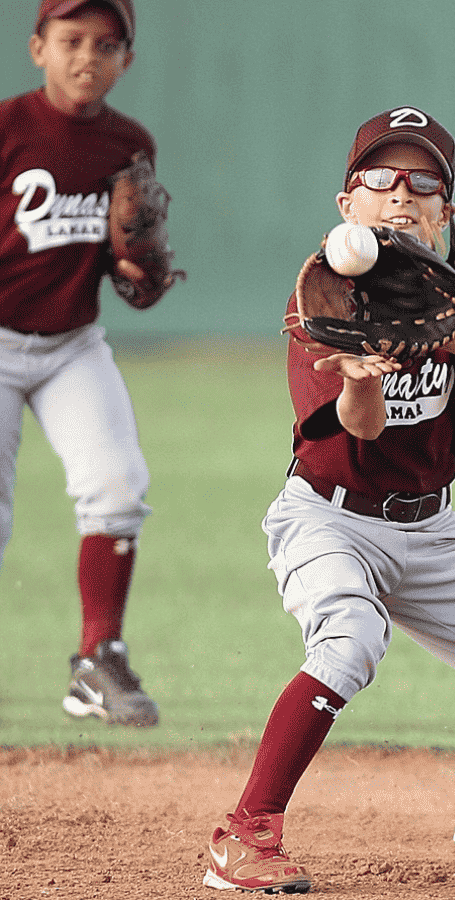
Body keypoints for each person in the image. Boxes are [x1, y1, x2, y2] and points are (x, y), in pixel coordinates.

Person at [202, 106, 455, 894]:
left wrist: (451, 334)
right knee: (349, 640)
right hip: (327, 518)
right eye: (379, 179)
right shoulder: (322, 300)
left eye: (424, 183)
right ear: (347, 204)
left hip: (432, 534)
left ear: (447, 214)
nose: (402, 195)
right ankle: (244, 834)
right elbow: (356, 429)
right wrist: (361, 380)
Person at [0, 0, 163, 727]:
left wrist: (137, 268)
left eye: (106, 44)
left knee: (118, 485)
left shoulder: (127, 143)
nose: (86, 57)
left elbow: (133, 274)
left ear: (126, 60)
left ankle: (98, 659)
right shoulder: (7, 129)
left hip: (72, 345)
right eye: (71, 40)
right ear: (38, 47)